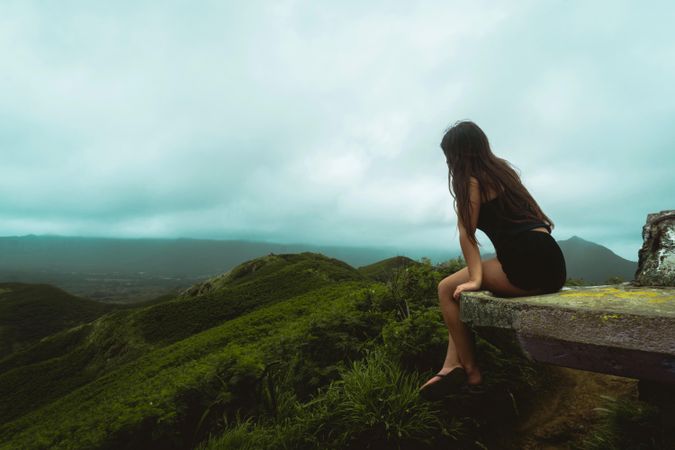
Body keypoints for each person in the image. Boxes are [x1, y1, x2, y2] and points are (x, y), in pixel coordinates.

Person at [419, 120, 567, 398]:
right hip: (554, 264)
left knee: (446, 288)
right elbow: (540, 220)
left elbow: (466, 233)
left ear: (457, 155)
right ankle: (451, 365)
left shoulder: (470, 181)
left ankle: (473, 375)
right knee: (458, 292)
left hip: (524, 266)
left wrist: (476, 279)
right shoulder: (503, 171)